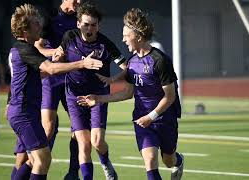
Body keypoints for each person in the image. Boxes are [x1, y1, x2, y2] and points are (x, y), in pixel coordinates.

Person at [77, 8, 184, 180]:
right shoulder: (132, 63)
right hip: (142, 120)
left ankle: (178, 161)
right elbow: (128, 92)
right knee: (150, 160)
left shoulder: (160, 61)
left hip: (164, 119)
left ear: (139, 37)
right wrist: (98, 99)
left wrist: (152, 115)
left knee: (168, 160)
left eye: (127, 35)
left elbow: (170, 96)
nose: (123, 39)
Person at [8, 4, 103, 180]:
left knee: (39, 159)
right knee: (42, 159)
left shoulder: (22, 49)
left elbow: (41, 73)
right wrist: (81, 63)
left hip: (24, 112)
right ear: (25, 30)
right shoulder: (25, 49)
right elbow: (50, 69)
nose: (40, 26)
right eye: (35, 24)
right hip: (23, 113)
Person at [57, 3, 126, 180]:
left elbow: (128, 68)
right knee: (84, 144)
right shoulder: (69, 37)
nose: (90, 28)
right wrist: (57, 55)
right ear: (78, 23)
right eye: (86, 24)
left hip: (98, 97)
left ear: (98, 26)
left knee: (97, 142)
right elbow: (59, 58)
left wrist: (113, 79)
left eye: (93, 25)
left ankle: (105, 162)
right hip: (74, 97)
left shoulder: (105, 44)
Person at [35, 0, 82, 179]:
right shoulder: (50, 18)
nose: (79, 1)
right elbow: (38, 47)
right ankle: (40, 171)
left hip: (73, 79)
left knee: (78, 128)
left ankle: (72, 173)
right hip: (51, 79)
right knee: (48, 128)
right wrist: (57, 51)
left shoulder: (81, 18)